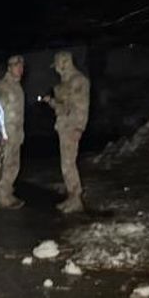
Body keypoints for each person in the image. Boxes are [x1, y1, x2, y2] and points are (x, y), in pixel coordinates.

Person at [44, 50, 90, 213]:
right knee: (66, 164)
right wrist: (51, 102)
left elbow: (82, 107)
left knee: (69, 163)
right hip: (64, 126)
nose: (56, 69)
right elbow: (63, 107)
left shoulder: (78, 80)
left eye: (57, 65)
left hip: (71, 126)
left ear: (64, 63)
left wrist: (79, 127)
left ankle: (76, 199)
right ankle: (72, 197)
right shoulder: (66, 82)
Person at [0, 55, 26, 208]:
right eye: (16, 66)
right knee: (6, 165)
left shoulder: (17, 86)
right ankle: (3, 196)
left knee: (14, 165)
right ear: (9, 68)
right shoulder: (3, 86)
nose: (20, 69)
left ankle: (7, 192)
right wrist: (0, 133)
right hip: (6, 133)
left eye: (21, 66)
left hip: (16, 133)